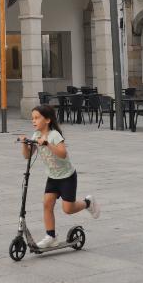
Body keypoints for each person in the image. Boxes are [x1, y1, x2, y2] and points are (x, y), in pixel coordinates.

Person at [21, 105, 99, 248]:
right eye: (33, 118)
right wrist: (25, 144)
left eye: (37, 118)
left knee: (68, 209)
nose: (33, 121)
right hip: (52, 177)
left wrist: (47, 144)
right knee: (47, 204)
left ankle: (88, 203)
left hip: (67, 177)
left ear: (48, 120)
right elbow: (27, 156)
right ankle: (51, 236)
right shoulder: (36, 135)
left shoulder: (54, 135)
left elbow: (63, 154)